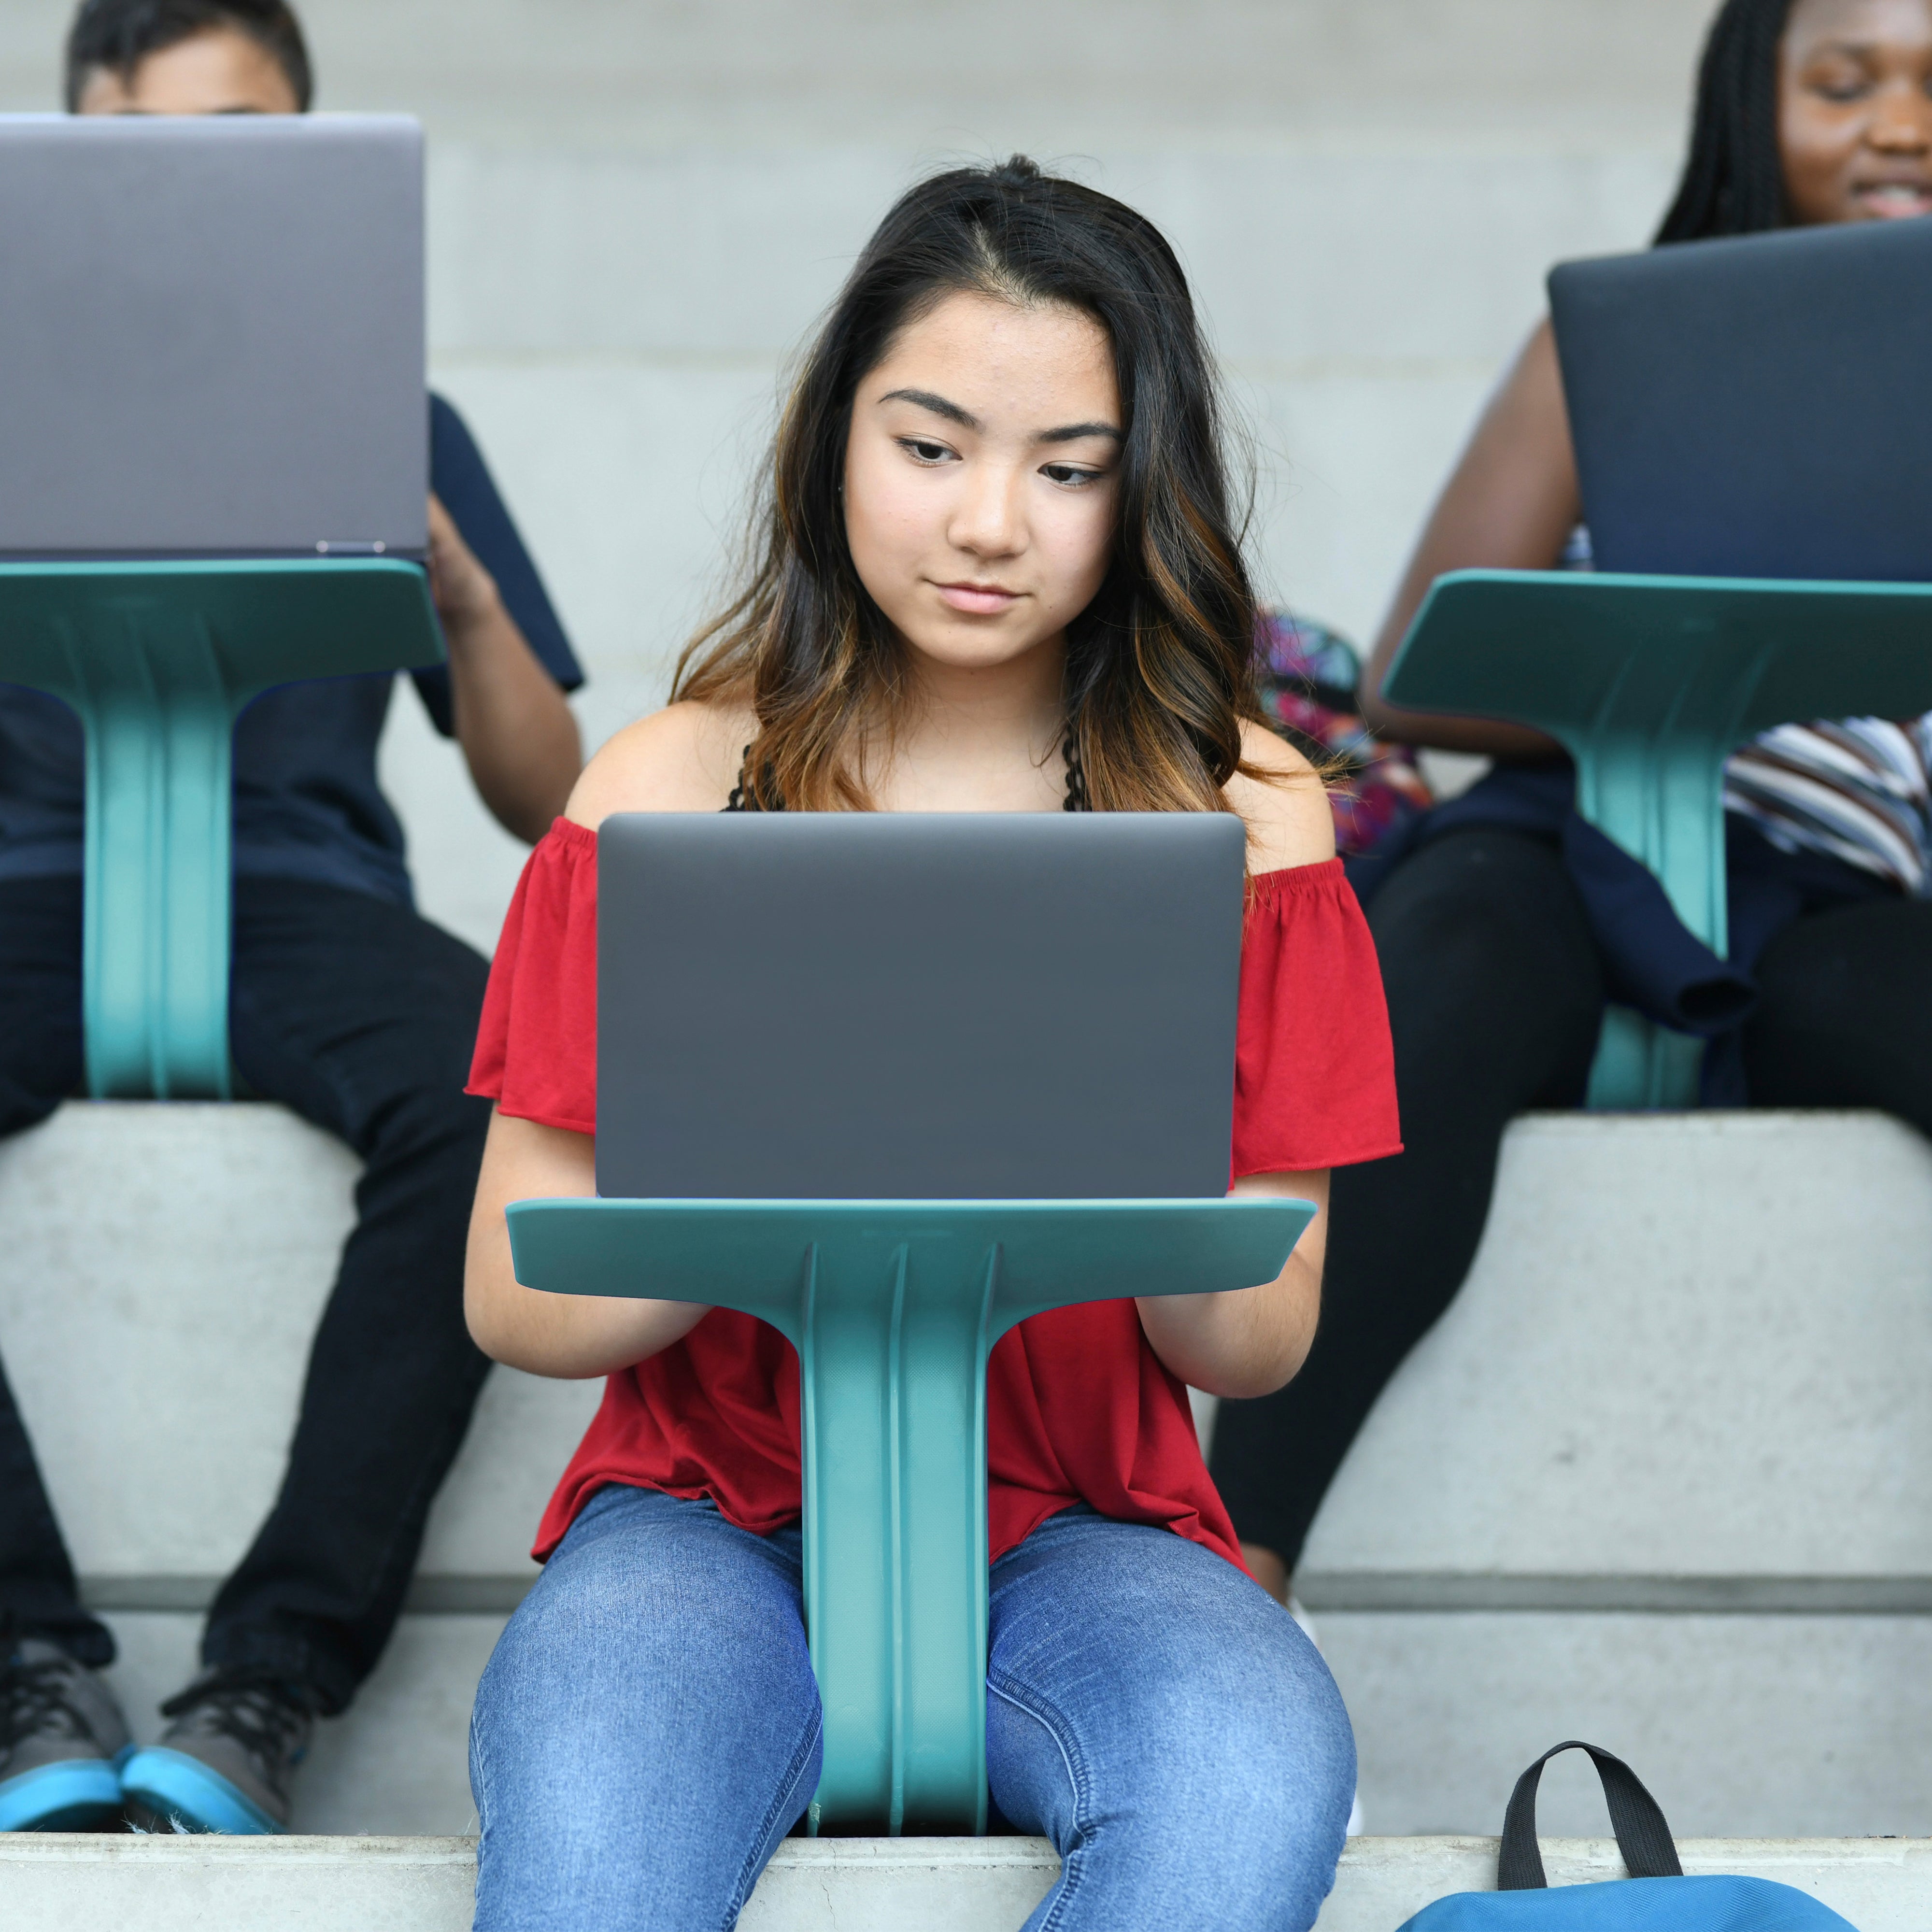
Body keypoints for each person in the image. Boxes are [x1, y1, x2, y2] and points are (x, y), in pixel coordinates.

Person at [460, 159, 1400, 1932]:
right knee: (590, 1857)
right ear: (835, 444)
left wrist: (1110, 1159)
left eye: (1069, 473)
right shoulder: (668, 787)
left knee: (1246, 1774)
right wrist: (769, 1156)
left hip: (1082, 1528)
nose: (990, 524)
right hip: (702, 1521)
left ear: (1147, 495)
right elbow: (516, 1301)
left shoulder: (1246, 816)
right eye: (931, 446)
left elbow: (1259, 1337)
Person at [1210, 0, 1932, 1608]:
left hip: (1835, 896)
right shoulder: (1622, 345)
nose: (1901, 122)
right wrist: (1708, 678)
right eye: (1845, 81)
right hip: (1570, 833)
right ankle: (1231, 1555)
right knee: (1449, 963)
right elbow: (1412, 668)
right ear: (1753, 104)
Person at [0, 0, 584, 1834]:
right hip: (23, 887)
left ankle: (272, 1678)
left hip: (299, 897)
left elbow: (547, 792)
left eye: (244, 143)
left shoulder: (396, 413)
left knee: (506, 1092)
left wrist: (467, 602)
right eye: (143, 154)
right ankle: (22, 1663)